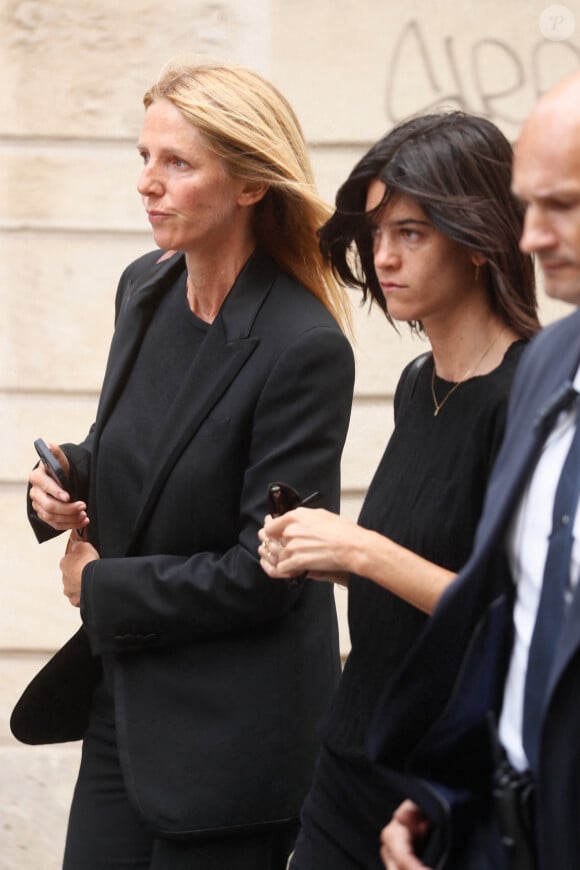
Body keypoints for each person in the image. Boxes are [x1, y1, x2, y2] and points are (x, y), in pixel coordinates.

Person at [10, 59, 355, 870]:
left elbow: (267, 570)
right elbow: (142, 447)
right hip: (123, 706)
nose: (148, 184)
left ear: (247, 185)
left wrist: (99, 587)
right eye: (143, 158)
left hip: (232, 741)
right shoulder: (146, 287)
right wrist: (65, 477)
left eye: (177, 163)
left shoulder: (304, 349)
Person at [258, 112, 539, 869]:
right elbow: (418, 556)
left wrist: (365, 549)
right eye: (378, 232)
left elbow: (512, 618)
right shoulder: (421, 385)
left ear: (479, 238)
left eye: (412, 232)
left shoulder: (531, 400)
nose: (383, 255)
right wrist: (330, 553)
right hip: (350, 757)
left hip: (445, 786)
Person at [372, 69, 580, 870]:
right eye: (526, 207)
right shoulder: (552, 365)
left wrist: (359, 554)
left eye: (560, 205)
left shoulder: (516, 370)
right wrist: (447, 795)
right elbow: (512, 618)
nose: (529, 236)